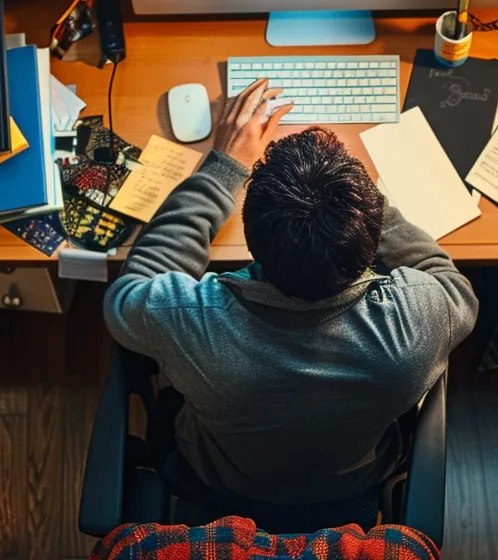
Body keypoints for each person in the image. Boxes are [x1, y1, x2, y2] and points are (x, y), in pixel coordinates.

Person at [104, 79, 478, 506]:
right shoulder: (420, 319)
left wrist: (223, 166)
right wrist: (358, 204)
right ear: (369, 244)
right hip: (355, 481)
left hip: (221, 476)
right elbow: (449, 283)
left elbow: (128, 294)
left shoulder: (189, 318)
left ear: (251, 239)